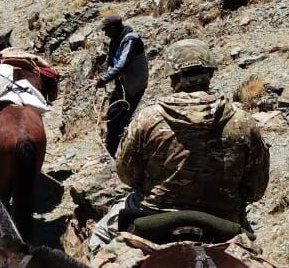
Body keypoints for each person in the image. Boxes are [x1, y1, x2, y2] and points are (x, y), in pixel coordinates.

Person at [115, 39, 270, 227]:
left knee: (102, 234)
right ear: (211, 74)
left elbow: (126, 175)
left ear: (173, 79)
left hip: (155, 217)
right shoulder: (243, 121)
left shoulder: (146, 119)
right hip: (223, 221)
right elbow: (255, 190)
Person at [95, 14, 148, 156]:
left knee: (118, 120)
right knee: (113, 117)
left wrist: (104, 79)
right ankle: (114, 151)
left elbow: (122, 64)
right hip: (122, 86)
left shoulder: (131, 40)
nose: (105, 33)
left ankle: (117, 154)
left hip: (133, 86)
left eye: (106, 30)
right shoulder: (115, 41)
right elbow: (113, 63)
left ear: (113, 28)